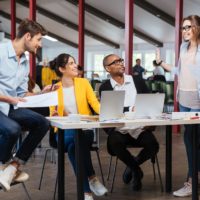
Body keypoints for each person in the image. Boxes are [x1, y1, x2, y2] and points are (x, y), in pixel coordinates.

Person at [0, 19, 50, 191]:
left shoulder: (25, 62)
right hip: (1, 105)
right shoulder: (0, 52)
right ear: (28, 36)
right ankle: (1, 167)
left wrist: (42, 94)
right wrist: (10, 99)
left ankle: (13, 166)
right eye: (38, 39)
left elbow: (21, 94)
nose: (40, 44)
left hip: (11, 107)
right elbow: (13, 98)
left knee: (43, 123)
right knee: (13, 129)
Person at [50, 53, 107, 200]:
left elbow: (95, 104)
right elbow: (54, 113)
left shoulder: (84, 83)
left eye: (74, 62)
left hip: (85, 130)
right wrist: (58, 112)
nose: (75, 65)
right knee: (74, 145)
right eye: (71, 63)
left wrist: (108, 112)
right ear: (62, 69)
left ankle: (86, 192)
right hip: (63, 132)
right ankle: (92, 180)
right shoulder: (54, 88)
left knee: (74, 146)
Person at [99, 54, 159, 191]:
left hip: (139, 128)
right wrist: (129, 109)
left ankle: (132, 167)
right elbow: (107, 114)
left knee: (153, 145)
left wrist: (150, 122)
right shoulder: (105, 87)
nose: (121, 63)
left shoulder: (137, 81)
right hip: (119, 129)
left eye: (121, 60)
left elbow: (149, 103)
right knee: (114, 142)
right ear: (107, 68)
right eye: (116, 62)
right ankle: (137, 171)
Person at [156, 15, 200, 197]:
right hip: (183, 100)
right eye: (183, 28)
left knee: (195, 141)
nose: (185, 31)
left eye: (188, 27)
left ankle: (192, 181)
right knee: (189, 141)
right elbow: (177, 71)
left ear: (197, 27)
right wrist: (161, 63)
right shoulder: (183, 47)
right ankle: (192, 181)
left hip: (198, 101)